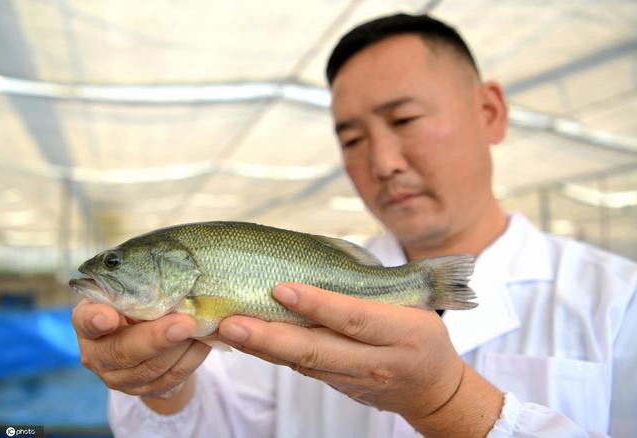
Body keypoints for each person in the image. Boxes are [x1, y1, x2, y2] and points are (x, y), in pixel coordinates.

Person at [72, 13, 637, 437]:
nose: (383, 161)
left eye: (406, 119)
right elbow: (216, 423)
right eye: (352, 138)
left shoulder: (619, 301)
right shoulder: (322, 273)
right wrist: (161, 385)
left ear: (489, 112)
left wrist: (447, 401)